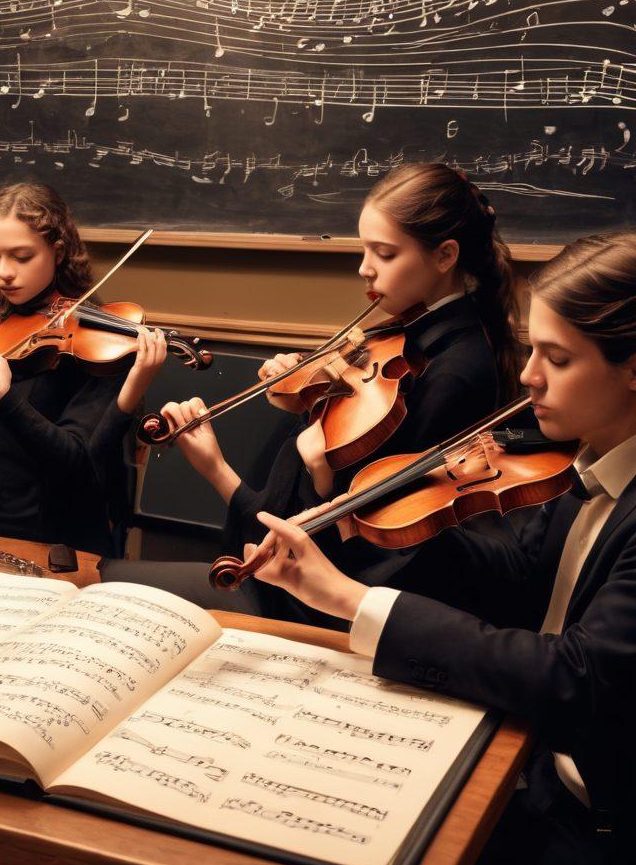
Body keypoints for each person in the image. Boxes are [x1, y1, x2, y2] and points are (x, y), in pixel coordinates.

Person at [250, 230, 636, 865]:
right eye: (531, 350)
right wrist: (383, 519)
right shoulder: (587, 457)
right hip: (528, 766)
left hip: (596, 820)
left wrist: (356, 601)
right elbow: (516, 571)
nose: (530, 377)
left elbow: (575, 676)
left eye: (558, 359)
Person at [100, 163, 521, 621]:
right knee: (109, 580)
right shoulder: (410, 332)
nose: (364, 268)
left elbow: (368, 541)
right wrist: (307, 398)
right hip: (277, 570)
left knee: (109, 588)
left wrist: (229, 469)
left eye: (384, 253)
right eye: (365, 249)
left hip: (310, 600)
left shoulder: (455, 369)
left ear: (445, 256)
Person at [0, 182, 166, 556]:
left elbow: (75, 463)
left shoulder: (99, 341)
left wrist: (6, 400)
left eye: (21, 257)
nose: (3, 272)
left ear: (58, 252)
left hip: (61, 540)